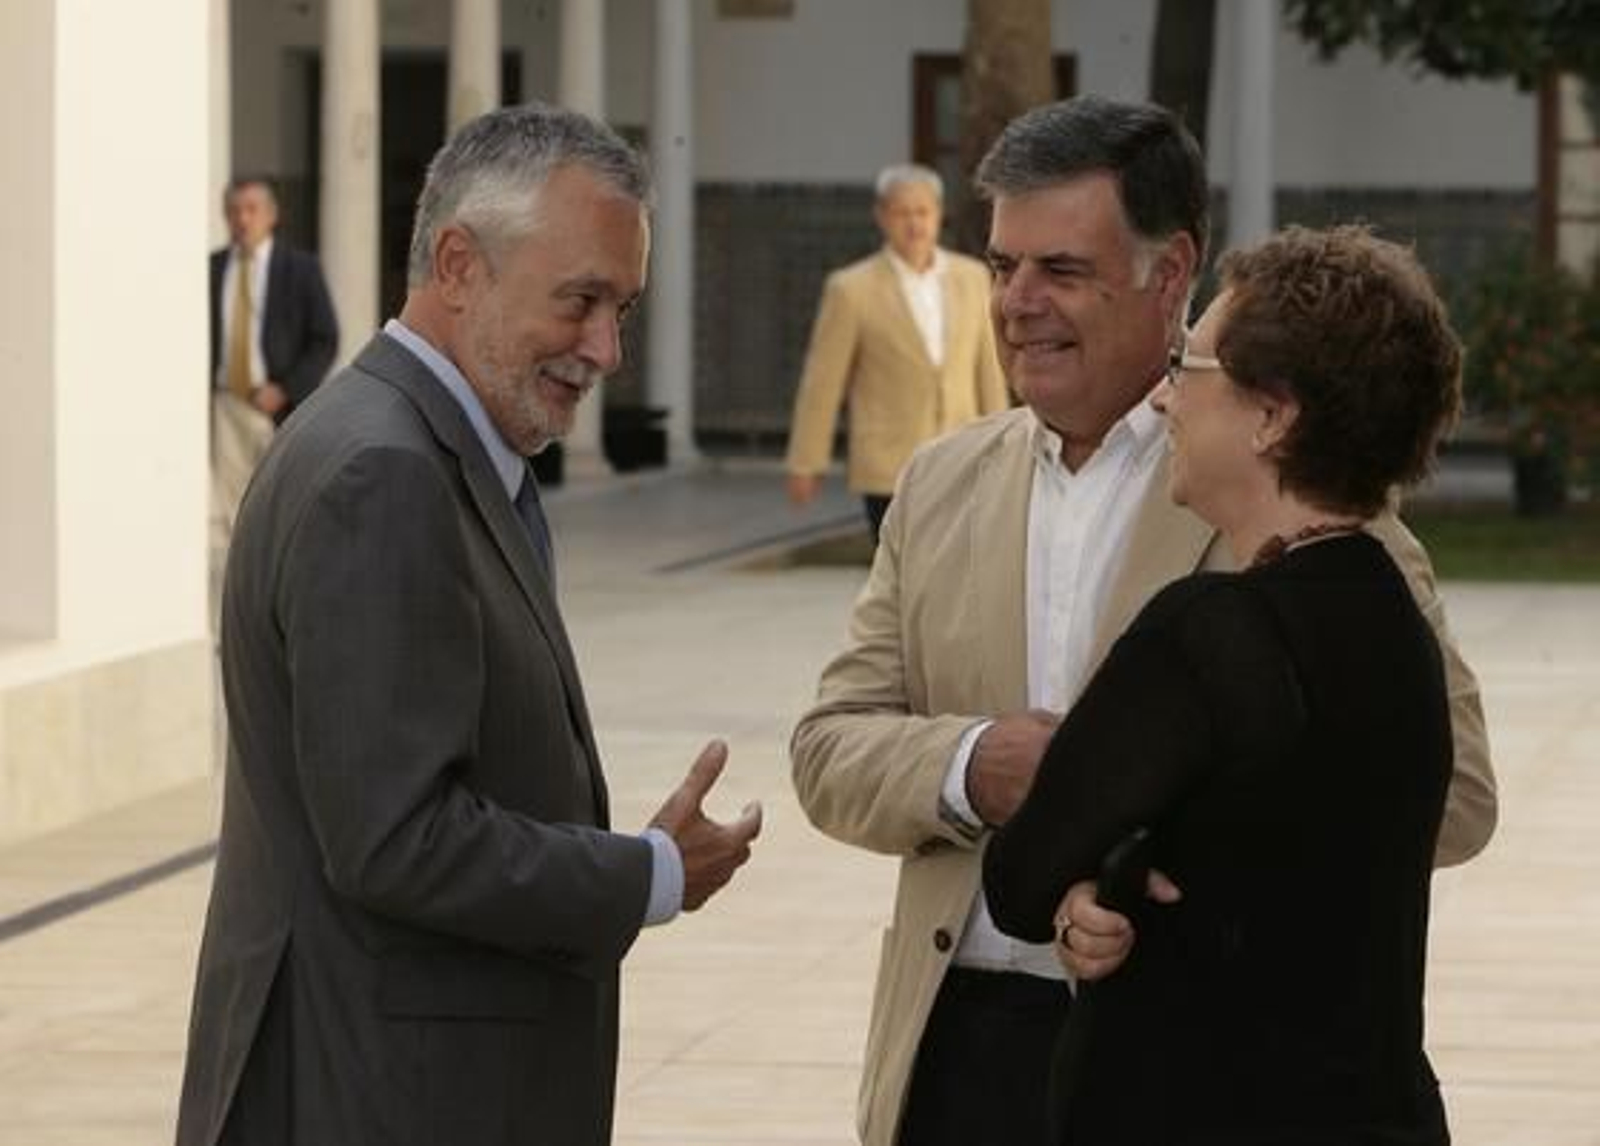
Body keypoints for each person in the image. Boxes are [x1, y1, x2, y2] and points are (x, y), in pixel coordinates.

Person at [789, 96, 1497, 1146]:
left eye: (1060, 271)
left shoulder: (1314, 517)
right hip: (954, 1053)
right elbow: (826, 749)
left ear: (1169, 276)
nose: (1017, 303)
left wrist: (1139, 835)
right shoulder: (937, 485)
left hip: (1188, 1069)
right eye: (1001, 266)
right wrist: (972, 764)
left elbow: (1452, 796)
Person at [177, 103, 763, 1146]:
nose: (607, 349)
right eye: (580, 300)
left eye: (621, 308)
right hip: (381, 1094)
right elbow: (397, 839)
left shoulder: (403, 440)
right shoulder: (383, 474)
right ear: (457, 264)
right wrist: (647, 874)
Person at [985, 223, 1464, 1145]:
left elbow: (1020, 877)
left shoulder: (1210, 633)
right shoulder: (1394, 619)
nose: (1164, 397)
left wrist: (1107, 871)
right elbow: (1287, 851)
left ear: (1273, 415)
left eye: (1189, 366)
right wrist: (1129, 865)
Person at [784, 164, 1009, 543]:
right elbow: (822, 383)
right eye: (902, 213)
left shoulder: (973, 279)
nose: (914, 223)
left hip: (963, 458)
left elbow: (989, 371)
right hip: (889, 466)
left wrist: (1006, 446)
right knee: (900, 580)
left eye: (923, 212)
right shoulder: (851, 289)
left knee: (957, 574)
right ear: (882, 217)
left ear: (938, 215)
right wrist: (807, 461)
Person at [208, 175, 338, 559]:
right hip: (225, 407)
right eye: (234, 211)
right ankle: (241, 592)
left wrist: (287, 389)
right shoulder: (212, 269)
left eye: (251, 210)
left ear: (271, 215)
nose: (242, 220)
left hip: (277, 407)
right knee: (232, 511)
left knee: (280, 504)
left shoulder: (300, 269)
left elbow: (324, 337)